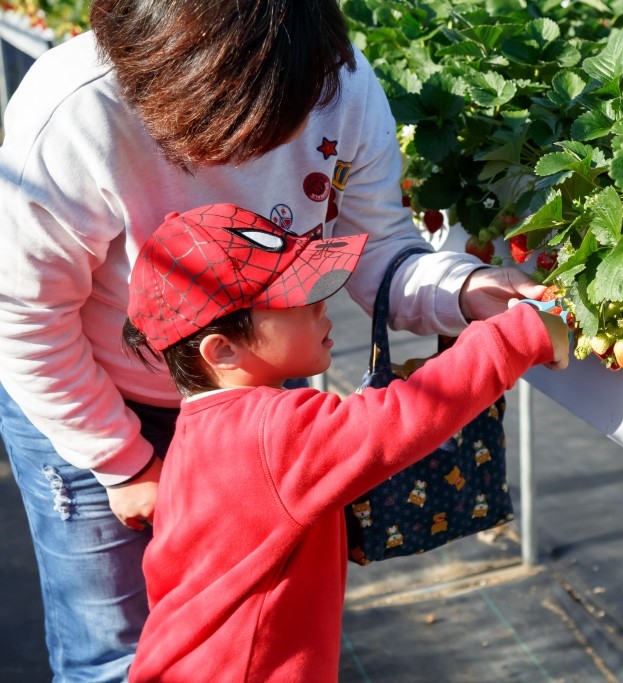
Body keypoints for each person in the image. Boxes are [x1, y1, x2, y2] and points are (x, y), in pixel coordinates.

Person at [0, 1, 549, 679]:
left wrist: (463, 290)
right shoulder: (74, 115)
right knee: (111, 652)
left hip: (241, 388)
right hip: (85, 392)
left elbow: (382, 247)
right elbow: (24, 321)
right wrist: (123, 462)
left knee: (235, 615)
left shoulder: (335, 82)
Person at [116, 203, 567, 681]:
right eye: (295, 296)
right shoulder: (269, 432)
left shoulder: (201, 430)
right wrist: (523, 333)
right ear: (222, 350)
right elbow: (400, 418)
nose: (320, 302)